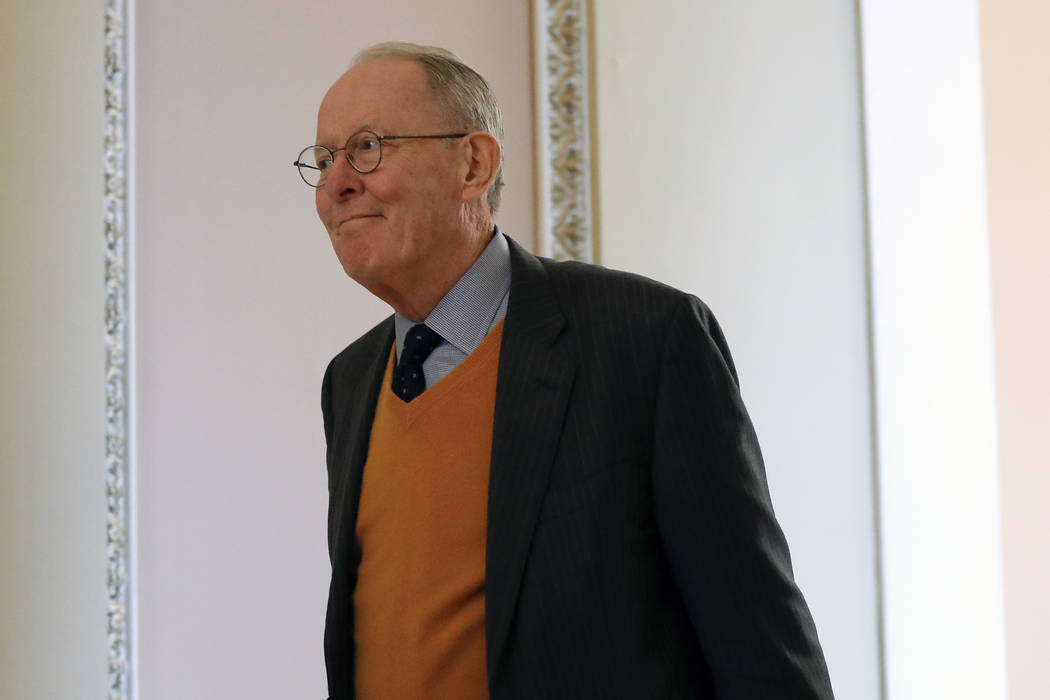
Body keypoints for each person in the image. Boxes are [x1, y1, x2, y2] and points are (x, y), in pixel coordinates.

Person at [301, 41, 833, 699]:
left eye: (367, 148)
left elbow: (763, 655)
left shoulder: (644, 339)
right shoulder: (348, 383)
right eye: (323, 160)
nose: (336, 183)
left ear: (474, 163)